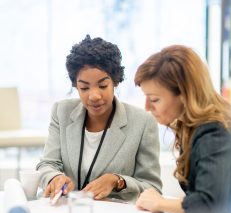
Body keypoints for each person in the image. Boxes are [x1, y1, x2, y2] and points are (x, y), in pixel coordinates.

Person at [134, 45, 231, 213]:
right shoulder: (194, 127)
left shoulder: (213, 132)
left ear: (184, 94)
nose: (147, 107)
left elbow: (208, 204)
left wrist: (160, 203)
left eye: (155, 99)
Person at [37, 35, 162, 202]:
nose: (94, 96)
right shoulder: (62, 111)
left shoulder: (143, 123)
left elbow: (153, 188)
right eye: (84, 88)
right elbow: (47, 164)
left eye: (103, 86)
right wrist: (54, 178)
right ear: (76, 86)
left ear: (115, 81)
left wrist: (118, 181)